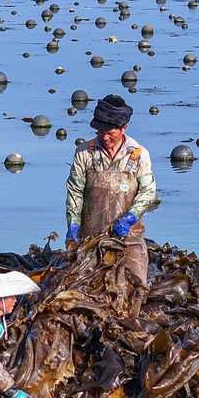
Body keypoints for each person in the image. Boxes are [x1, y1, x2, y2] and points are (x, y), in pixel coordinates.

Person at [65, 94, 156, 284]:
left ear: (124, 128)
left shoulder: (139, 154)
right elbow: (75, 192)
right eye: (100, 131)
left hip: (129, 236)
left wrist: (129, 218)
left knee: (136, 281)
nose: (104, 137)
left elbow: (148, 193)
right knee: (78, 283)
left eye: (110, 132)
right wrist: (73, 223)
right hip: (90, 237)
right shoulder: (84, 152)